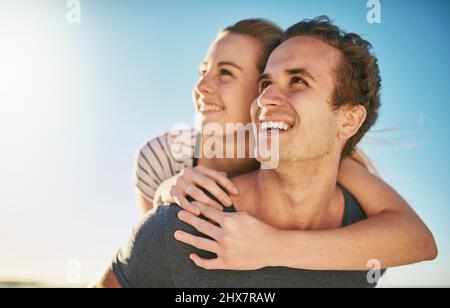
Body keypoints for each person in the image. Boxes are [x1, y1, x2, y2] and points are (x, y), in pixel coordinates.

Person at [95, 16, 437, 288]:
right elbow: (150, 262)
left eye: (226, 72)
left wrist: (273, 246)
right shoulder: (167, 162)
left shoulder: (346, 195)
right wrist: (164, 192)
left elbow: (417, 239)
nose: (202, 87)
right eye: (266, 84)